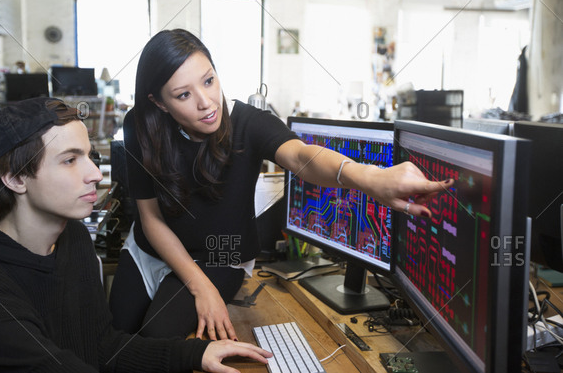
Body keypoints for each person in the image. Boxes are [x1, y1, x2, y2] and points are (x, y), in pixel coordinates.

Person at [109, 28, 454, 341]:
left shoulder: (248, 123)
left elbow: (302, 156)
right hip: (150, 251)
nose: (206, 102)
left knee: (155, 337)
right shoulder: (140, 126)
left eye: (209, 80)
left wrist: (367, 176)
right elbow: (151, 218)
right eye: (183, 95)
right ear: (158, 102)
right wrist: (200, 287)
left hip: (220, 257)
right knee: (114, 334)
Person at [0, 97, 271, 372]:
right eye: (70, 160)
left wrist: (194, 354)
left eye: (89, 156)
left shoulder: (71, 239)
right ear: (15, 178)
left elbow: (101, 347)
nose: (94, 174)